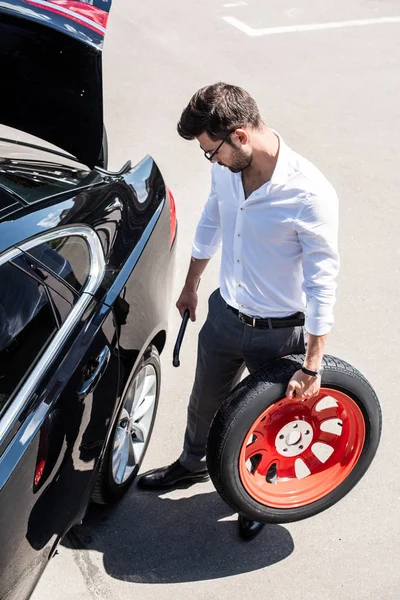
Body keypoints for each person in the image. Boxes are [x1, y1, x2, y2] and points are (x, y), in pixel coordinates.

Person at [138, 82, 339, 540]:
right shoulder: (226, 172)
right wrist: (191, 284)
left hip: (280, 332)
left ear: (241, 136)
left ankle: (254, 494)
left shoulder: (309, 194)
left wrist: (312, 364)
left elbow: (323, 281)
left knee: (267, 421)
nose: (211, 161)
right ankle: (192, 465)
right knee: (203, 403)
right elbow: (213, 218)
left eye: (213, 151)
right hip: (225, 315)